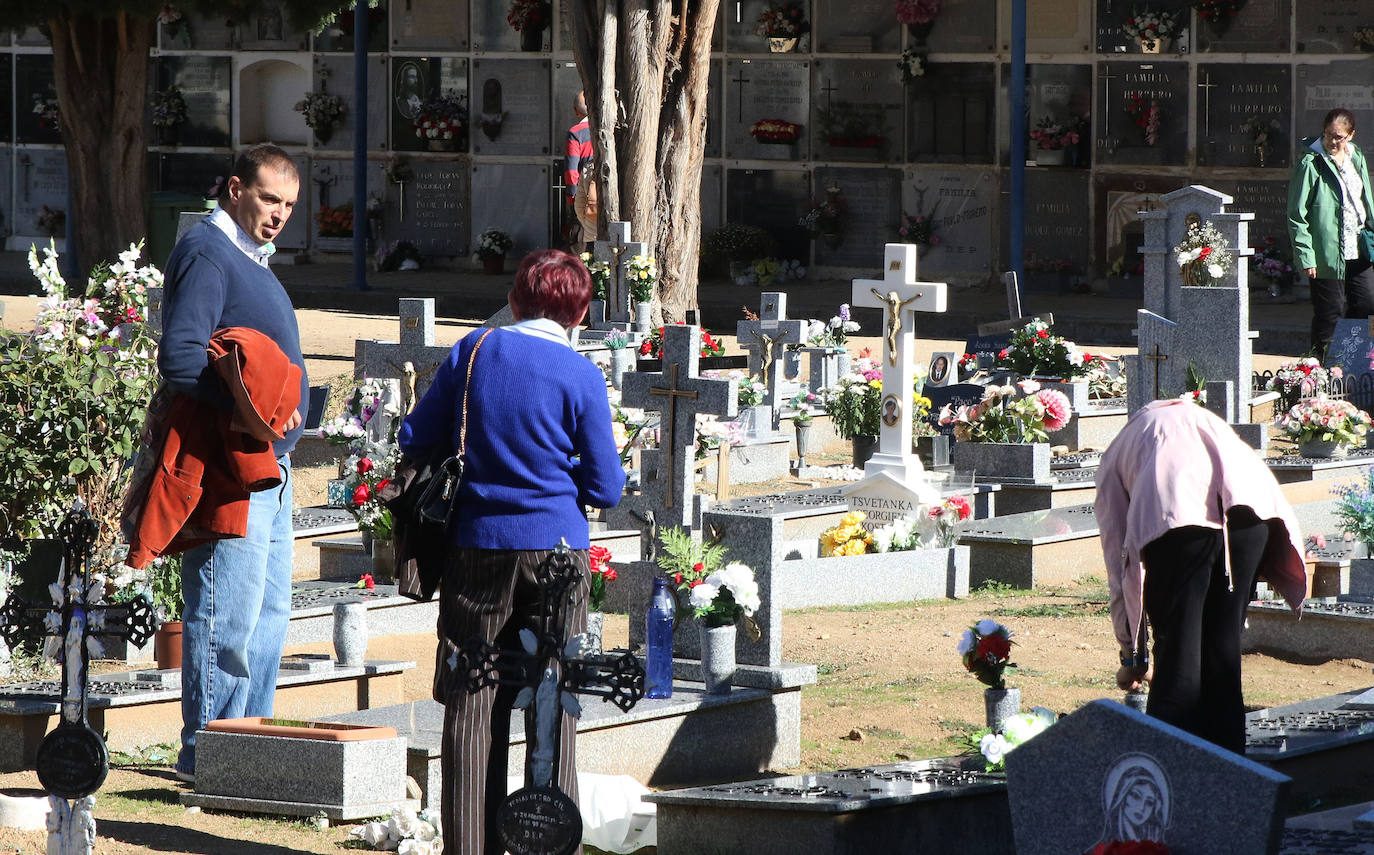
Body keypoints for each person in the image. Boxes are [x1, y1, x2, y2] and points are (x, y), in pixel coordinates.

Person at [398, 249, 625, 855]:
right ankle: (548, 844)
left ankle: (469, 846)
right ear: (579, 312)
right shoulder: (580, 374)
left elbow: (414, 436)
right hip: (556, 553)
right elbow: (606, 487)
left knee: (472, 703)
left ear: (517, 297)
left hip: (478, 546)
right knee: (553, 699)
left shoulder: (472, 352)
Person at [158, 143, 307, 782]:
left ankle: (252, 751)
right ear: (236, 188)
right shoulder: (207, 251)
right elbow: (182, 356)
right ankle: (211, 756)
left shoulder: (250, 256)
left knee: (268, 618)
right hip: (231, 469)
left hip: (271, 468)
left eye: (290, 206)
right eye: (270, 198)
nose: (279, 215)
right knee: (226, 618)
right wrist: (253, 414)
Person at [1093, 399, 1306, 754]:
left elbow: (1121, 561)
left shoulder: (1117, 453)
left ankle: (1173, 787)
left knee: (1178, 657)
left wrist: (1132, 657)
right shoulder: (1206, 421)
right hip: (1252, 516)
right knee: (1222, 655)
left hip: (1180, 522)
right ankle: (1232, 783)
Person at [1288, 107, 1374, 359]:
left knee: (1367, 304)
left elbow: (1364, 199)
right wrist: (1306, 255)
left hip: (1358, 246)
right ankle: (1320, 371)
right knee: (1329, 313)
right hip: (1326, 252)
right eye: (1328, 135)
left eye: (1339, 137)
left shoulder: (1355, 156)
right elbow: (1296, 212)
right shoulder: (1310, 162)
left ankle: (1355, 360)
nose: (1332, 142)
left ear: (1351, 136)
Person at [566, 91, 594, 246]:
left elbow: (571, 172)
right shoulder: (613, 128)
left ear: (575, 110)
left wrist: (572, 198)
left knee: (580, 241)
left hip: (584, 197)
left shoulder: (575, 133)